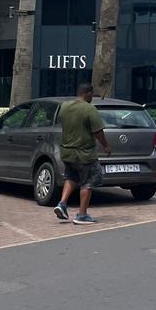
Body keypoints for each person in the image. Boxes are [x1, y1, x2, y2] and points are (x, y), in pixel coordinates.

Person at [54, 82, 110, 225]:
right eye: (92, 95)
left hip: (67, 152)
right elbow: (98, 131)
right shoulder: (89, 109)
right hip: (84, 154)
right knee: (89, 181)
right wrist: (106, 146)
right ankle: (82, 215)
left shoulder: (65, 106)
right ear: (88, 94)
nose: (92, 98)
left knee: (71, 177)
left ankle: (62, 204)